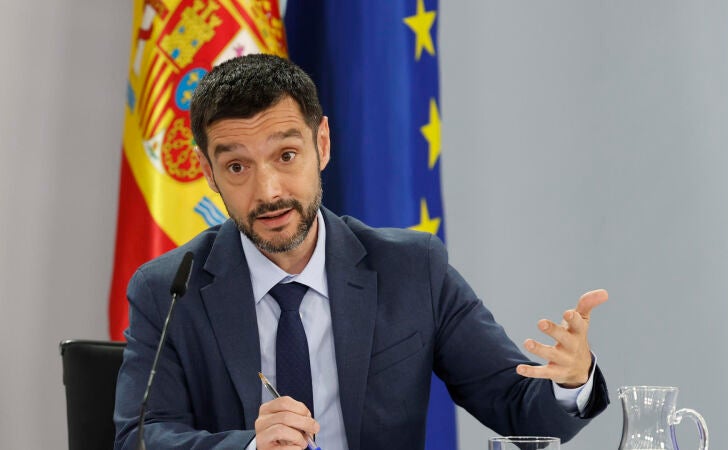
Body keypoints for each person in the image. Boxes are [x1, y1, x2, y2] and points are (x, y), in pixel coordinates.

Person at [113, 54, 610, 450]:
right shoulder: (169, 289)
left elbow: (519, 408)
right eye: (237, 167)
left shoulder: (412, 269)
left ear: (322, 144)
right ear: (208, 172)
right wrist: (249, 447)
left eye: (287, 155)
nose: (268, 191)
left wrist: (572, 381)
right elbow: (141, 436)